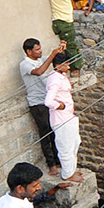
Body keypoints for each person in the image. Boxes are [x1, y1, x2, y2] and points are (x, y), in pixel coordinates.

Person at [19, 37, 63, 176]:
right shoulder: (25, 64)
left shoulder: (40, 59)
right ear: (29, 51)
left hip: (47, 100)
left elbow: (52, 61)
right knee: (45, 134)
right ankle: (51, 165)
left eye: (40, 48)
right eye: (37, 49)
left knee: (54, 131)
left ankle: (58, 160)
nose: (40, 51)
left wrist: (60, 50)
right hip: (37, 103)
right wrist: (52, 55)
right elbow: (39, 71)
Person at [47, 0, 91, 72]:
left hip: (63, 18)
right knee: (71, 45)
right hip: (62, 19)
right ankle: (76, 68)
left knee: (68, 44)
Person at [45, 51, 83, 182]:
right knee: (65, 147)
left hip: (69, 117)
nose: (68, 68)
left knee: (75, 143)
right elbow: (48, 101)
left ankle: (71, 169)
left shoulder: (61, 76)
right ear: (58, 65)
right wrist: (59, 106)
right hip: (61, 119)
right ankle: (67, 174)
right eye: (66, 65)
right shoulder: (54, 79)